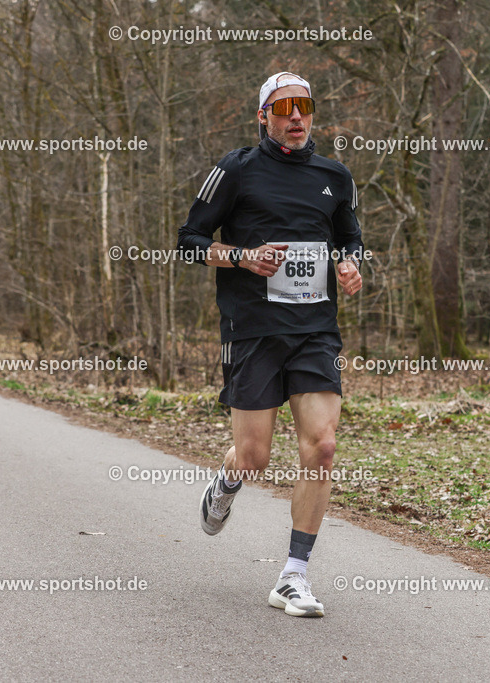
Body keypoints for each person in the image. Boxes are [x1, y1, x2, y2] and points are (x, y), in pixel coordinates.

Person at [177, 71, 364, 618]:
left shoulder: (335, 176)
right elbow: (189, 242)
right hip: (253, 329)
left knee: (322, 446)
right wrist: (241, 257)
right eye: (284, 108)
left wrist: (350, 264)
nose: (296, 116)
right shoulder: (236, 170)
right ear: (263, 117)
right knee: (254, 457)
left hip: (314, 330)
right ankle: (228, 478)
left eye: (304, 106)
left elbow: (349, 238)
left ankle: (293, 576)